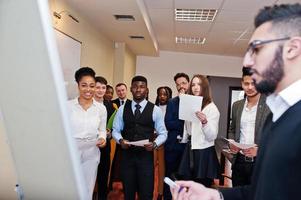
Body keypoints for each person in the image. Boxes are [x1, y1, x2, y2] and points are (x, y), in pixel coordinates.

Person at [170, 3, 301, 200]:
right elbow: (259, 191)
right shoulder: (276, 114)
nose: (247, 61)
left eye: (257, 49)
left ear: (292, 49)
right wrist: (214, 195)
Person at [112, 75, 167, 200]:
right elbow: (116, 130)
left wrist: (154, 144)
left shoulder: (155, 110)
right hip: (127, 157)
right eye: (135, 87)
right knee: (128, 193)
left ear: (147, 90)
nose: (138, 89)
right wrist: (120, 140)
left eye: (142, 87)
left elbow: (163, 133)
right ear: (131, 89)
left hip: (146, 158)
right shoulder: (122, 109)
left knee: (146, 193)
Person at [67, 67, 107, 199]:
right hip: (71, 151)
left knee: (87, 188)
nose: (88, 89)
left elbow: (102, 129)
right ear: (78, 86)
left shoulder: (101, 109)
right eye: (84, 85)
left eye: (92, 86)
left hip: (91, 151)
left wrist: (102, 138)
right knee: (70, 187)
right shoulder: (67, 106)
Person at [228, 68, 270, 187]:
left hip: (260, 162)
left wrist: (260, 150)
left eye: (254, 83)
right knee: (238, 193)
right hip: (239, 162)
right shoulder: (237, 106)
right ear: (242, 84)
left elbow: (276, 135)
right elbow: (232, 129)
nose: (250, 87)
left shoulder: (270, 105)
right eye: (246, 83)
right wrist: (232, 143)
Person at [178, 75, 220, 187]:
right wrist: (183, 139)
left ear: (205, 87)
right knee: (189, 188)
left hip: (204, 153)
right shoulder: (191, 104)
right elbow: (187, 129)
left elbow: (212, 136)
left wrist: (205, 122)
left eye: (199, 84)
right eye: (193, 84)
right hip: (190, 149)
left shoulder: (212, 108)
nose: (195, 87)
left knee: (201, 189)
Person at [164, 73, 190, 200]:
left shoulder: (195, 102)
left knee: (186, 179)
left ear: (189, 83)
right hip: (173, 147)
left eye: (184, 83)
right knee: (169, 177)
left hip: (188, 148)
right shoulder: (172, 102)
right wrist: (184, 120)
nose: (181, 86)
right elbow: (168, 123)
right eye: (178, 84)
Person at [94, 76, 117, 200]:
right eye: (98, 87)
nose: (101, 90)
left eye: (103, 88)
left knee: (103, 177)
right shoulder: (88, 103)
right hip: (89, 147)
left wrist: (110, 133)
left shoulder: (111, 106)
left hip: (105, 146)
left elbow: (116, 127)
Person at [154, 86, 173, 200]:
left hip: (165, 143)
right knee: (150, 169)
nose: (162, 96)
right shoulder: (153, 108)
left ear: (169, 96)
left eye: (165, 94)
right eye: (160, 94)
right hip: (153, 141)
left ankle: (160, 193)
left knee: (162, 170)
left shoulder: (172, 109)